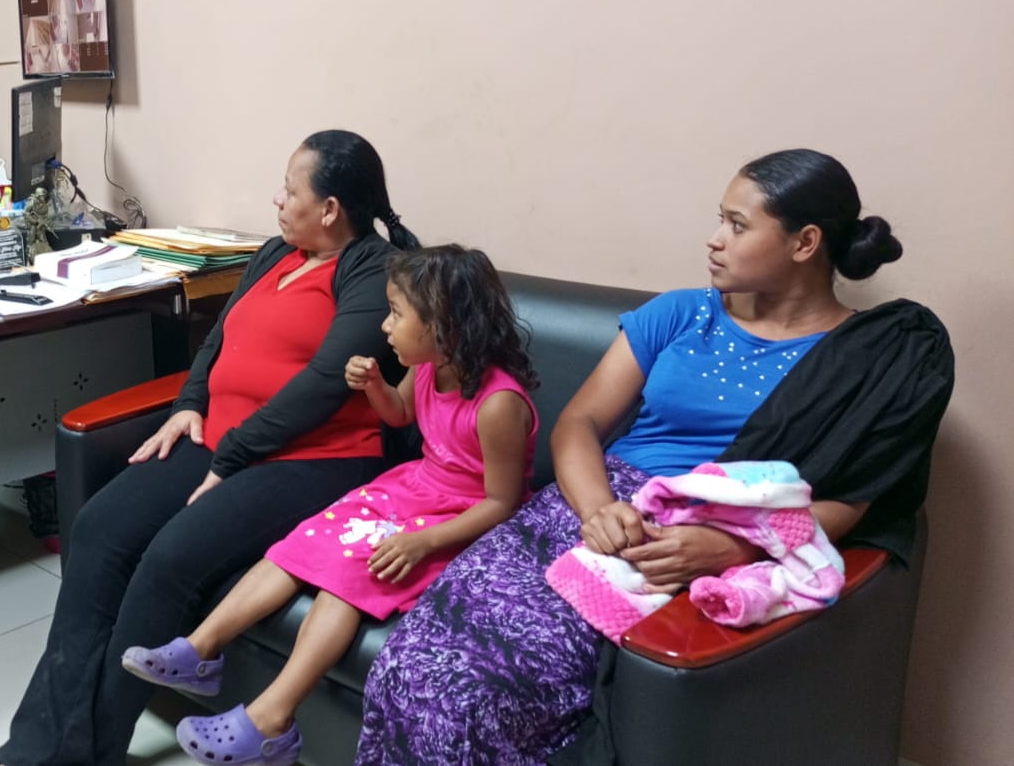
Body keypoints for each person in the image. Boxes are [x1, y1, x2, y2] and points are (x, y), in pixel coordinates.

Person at [356, 149, 954, 765]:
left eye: (737, 225)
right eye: (720, 219)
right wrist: (597, 508)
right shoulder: (680, 313)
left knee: (476, 698)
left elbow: (851, 498)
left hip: (691, 535)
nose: (715, 239)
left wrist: (734, 547)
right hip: (588, 511)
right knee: (410, 663)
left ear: (805, 243)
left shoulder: (871, 358)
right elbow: (580, 424)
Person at [0, 130, 420, 766]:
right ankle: (42, 749)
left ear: (330, 209)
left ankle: (89, 752)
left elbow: (325, 384)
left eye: (291, 190)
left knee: (170, 557)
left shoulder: (372, 271)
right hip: (226, 442)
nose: (278, 200)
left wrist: (230, 456)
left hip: (316, 458)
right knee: (100, 527)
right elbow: (218, 339)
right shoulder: (277, 252)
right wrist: (189, 405)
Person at [121, 244, 539, 766]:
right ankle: (199, 652)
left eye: (396, 314)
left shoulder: (499, 403)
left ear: (443, 327)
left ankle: (272, 721)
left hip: (461, 518)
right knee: (301, 544)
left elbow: (502, 502)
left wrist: (422, 542)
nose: (385, 326)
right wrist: (376, 388)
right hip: (414, 488)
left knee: (347, 580)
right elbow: (401, 414)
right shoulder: (431, 367)